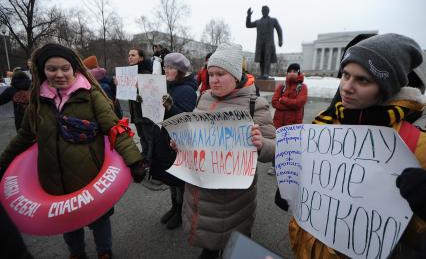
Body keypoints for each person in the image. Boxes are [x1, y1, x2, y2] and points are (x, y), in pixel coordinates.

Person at [0, 43, 148, 259]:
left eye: (65, 68)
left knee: (100, 221)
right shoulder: (38, 102)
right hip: (55, 181)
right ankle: (76, 254)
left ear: (74, 69)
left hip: (91, 176)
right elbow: (24, 136)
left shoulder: (90, 95)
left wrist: (135, 161)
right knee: (68, 224)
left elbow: (115, 127)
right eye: (52, 69)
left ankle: (104, 251)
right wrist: (3, 163)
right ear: (43, 71)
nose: (59, 74)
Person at [289, 34, 426, 259]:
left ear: (386, 88)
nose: (346, 87)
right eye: (345, 75)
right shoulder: (327, 121)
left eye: (363, 80)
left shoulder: (416, 145)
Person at [180, 43, 276, 259]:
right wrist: (181, 142)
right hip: (199, 190)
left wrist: (261, 144)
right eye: (211, 73)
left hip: (232, 199)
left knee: (232, 244)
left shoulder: (254, 104)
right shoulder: (203, 98)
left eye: (220, 74)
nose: (213, 79)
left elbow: (274, 147)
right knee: (209, 242)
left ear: (235, 74)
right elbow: (196, 135)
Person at [151, 52, 198, 230]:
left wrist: (169, 107)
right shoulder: (170, 86)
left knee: (178, 180)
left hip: (176, 143)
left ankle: (180, 211)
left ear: (179, 70)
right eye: (165, 67)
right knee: (170, 178)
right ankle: (174, 207)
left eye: (170, 68)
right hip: (164, 139)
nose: (166, 71)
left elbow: (185, 119)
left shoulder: (186, 90)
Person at [269, 63, 307, 175]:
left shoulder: (302, 87)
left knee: (291, 147)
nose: (292, 73)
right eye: (290, 71)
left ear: (298, 73)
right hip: (279, 123)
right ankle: (274, 166)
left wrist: (283, 100)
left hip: (293, 124)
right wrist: (290, 105)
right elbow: (274, 102)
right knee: (277, 145)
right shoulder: (281, 87)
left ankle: (288, 167)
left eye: (295, 71)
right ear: (287, 73)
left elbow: (299, 103)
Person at [246, 6, 283, 79]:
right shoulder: (258, 22)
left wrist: (280, 40)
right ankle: (262, 74)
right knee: (261, 58)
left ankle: (266, 73)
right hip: (260, 43)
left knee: (267, 57)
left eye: (265, 10)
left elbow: (279, 30)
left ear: (268, 11)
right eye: (262, 10)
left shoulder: (273, 20)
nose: (264, 11)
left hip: (269, 42)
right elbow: (248, 25)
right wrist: (249, 16)